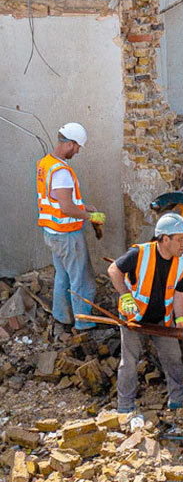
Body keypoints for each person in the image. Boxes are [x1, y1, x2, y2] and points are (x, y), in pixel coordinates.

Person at [107, 213, 183, 413]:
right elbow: (113, 270)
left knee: (173, 359)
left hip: (162, 320)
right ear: (164, 239)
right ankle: (125, 407)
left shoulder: (182, 262)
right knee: (129, 362)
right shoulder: (140, 254)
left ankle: (177, 402)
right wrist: (125, 296)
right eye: (179, 239)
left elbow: (180, 292)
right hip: (134, 320)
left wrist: (180, 318)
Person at [36, 122, 105, 332]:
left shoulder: (45, 163)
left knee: (63, 275)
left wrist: (84, 206)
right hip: (66, 235)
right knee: (82, 279)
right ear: (70, 143)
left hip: (52, 232)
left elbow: (58, 201)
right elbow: (66, 207)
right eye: (77, 147)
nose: (77, 151)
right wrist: (90, 215)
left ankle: (62, 315)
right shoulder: (61, 172)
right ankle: (84, 322)